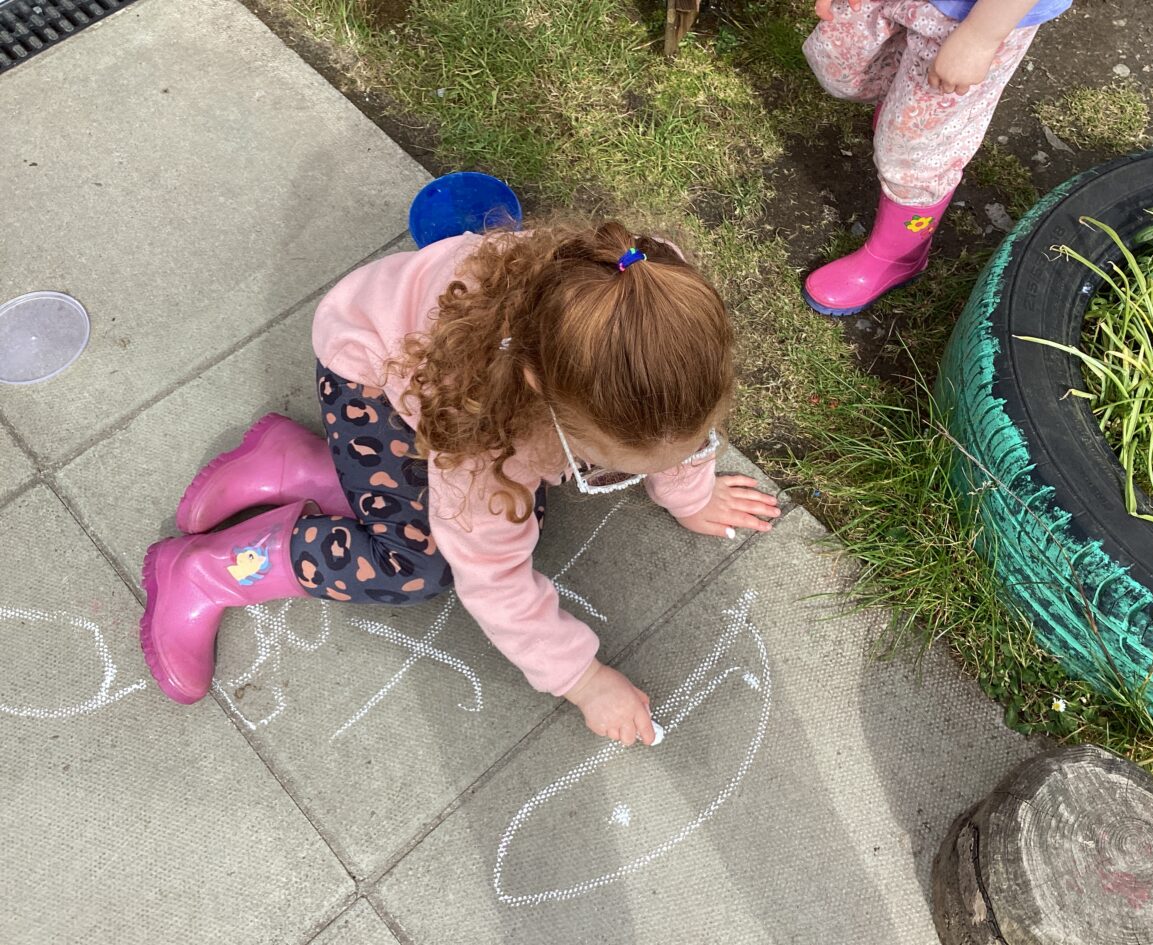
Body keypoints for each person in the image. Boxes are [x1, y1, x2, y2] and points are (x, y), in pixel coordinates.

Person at [139, 221, 781, 746]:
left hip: (431, 344)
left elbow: (671, 415)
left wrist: (690, 491)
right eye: (603, 463)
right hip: (368, 371)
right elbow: (493, 581)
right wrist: (582, 680)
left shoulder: (639, 290)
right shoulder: (484, 447)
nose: (631, 471)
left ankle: (295, 466)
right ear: (540, 394)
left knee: (510, 511)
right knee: (417, 564)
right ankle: (207, 571)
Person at [801, 0, 1072, 315]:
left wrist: (980, 36)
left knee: (917, 152)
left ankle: (897, 258)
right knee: (838, 64)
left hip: (977, 16)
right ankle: (901, 108)